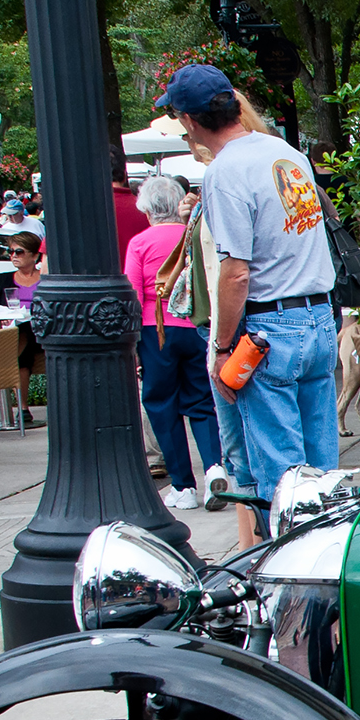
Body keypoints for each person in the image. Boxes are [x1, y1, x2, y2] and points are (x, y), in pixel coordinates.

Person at [159, 62, 337, 539]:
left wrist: (221, 347)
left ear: (189, 120)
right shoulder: (286, 154)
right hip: (318, 317)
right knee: (321, 471)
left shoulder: (224, 172)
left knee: (281, 477)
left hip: (269, 328)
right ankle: (329, 556)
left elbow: (236, 273)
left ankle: (293, 567)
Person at [126, 174, 222, 511]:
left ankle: (183, 485)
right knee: (202, 401)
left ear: (147, 210)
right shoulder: (193, 235)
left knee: (161, 404)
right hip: (197, 325)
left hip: (157, 329)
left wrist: (133, 345)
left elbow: (134, 295)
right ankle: (214, 468)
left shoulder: (139, 243)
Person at [0, 232, 43, 308]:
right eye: (11, 251)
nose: (14, 255)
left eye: (19, 252)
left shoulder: (45, 280)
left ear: (35, 256)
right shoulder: (3, 279)